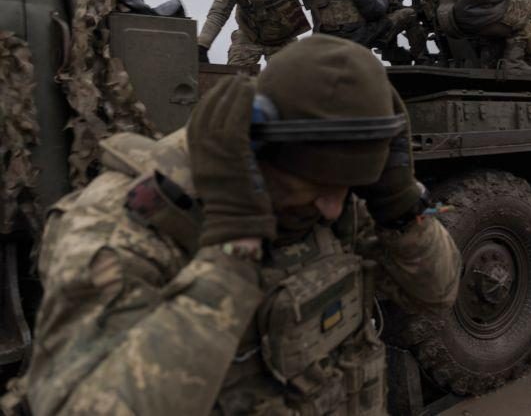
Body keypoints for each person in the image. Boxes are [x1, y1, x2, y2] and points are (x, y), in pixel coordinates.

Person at [17, 35, 461, 415]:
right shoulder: (123, 226)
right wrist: (234, 247)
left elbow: (437, 294)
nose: (332, 209)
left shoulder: (333, 200)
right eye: (316, 186)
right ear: (261, 151)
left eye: (346, 187)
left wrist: (402, 210)